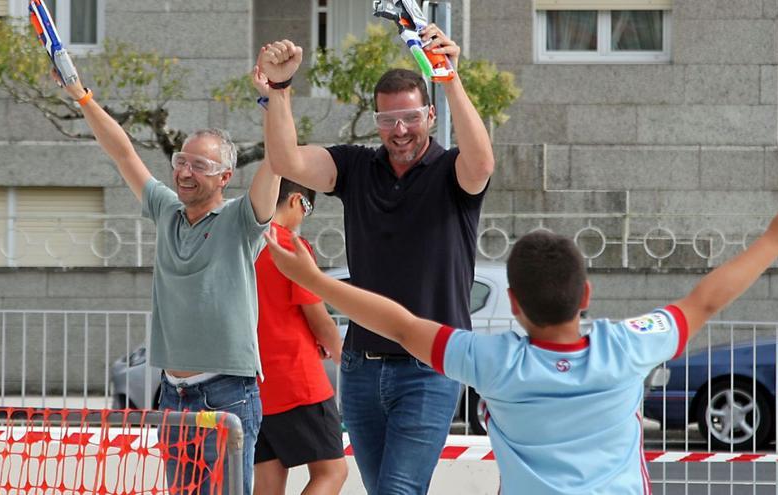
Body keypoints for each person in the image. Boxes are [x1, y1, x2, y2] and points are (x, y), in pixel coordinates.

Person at [262, 193, 778, 494]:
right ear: (587, 293)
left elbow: (403, 324)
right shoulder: (626, 345)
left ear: (514, 303)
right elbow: (705, 301)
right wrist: (777, 239)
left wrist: (311, 279)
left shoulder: (492, 360)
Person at [259, 27, 495, 494]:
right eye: (388, 120)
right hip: (362, 369)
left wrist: (450, 79)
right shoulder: (356, 167)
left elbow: (483, 163)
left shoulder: (452, 172)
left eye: (410, 117)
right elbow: (286, 161)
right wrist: (280, 90)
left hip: (430, 368)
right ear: (376, 121)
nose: (400, 130)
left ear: (430, 114)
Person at [58, 58, 280, 495]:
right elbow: (122, 151)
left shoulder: (241, 220)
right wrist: (82, 97)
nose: (183, 172)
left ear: (225, 178)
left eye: (200, 166)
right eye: (182, 161)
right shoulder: (166, 210)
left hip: (229, 394)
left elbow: (277, 161)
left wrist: (273, 101)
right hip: (173, 395)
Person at [253, 178, 347, 495]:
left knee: (267, 484)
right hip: (298, 379)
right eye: (306, 208)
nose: (303, 217)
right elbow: (318, 319)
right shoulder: (291, 247)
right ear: (295, 200)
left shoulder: (244, 244)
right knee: (332, 471)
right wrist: (341, 354)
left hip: (255, 383)